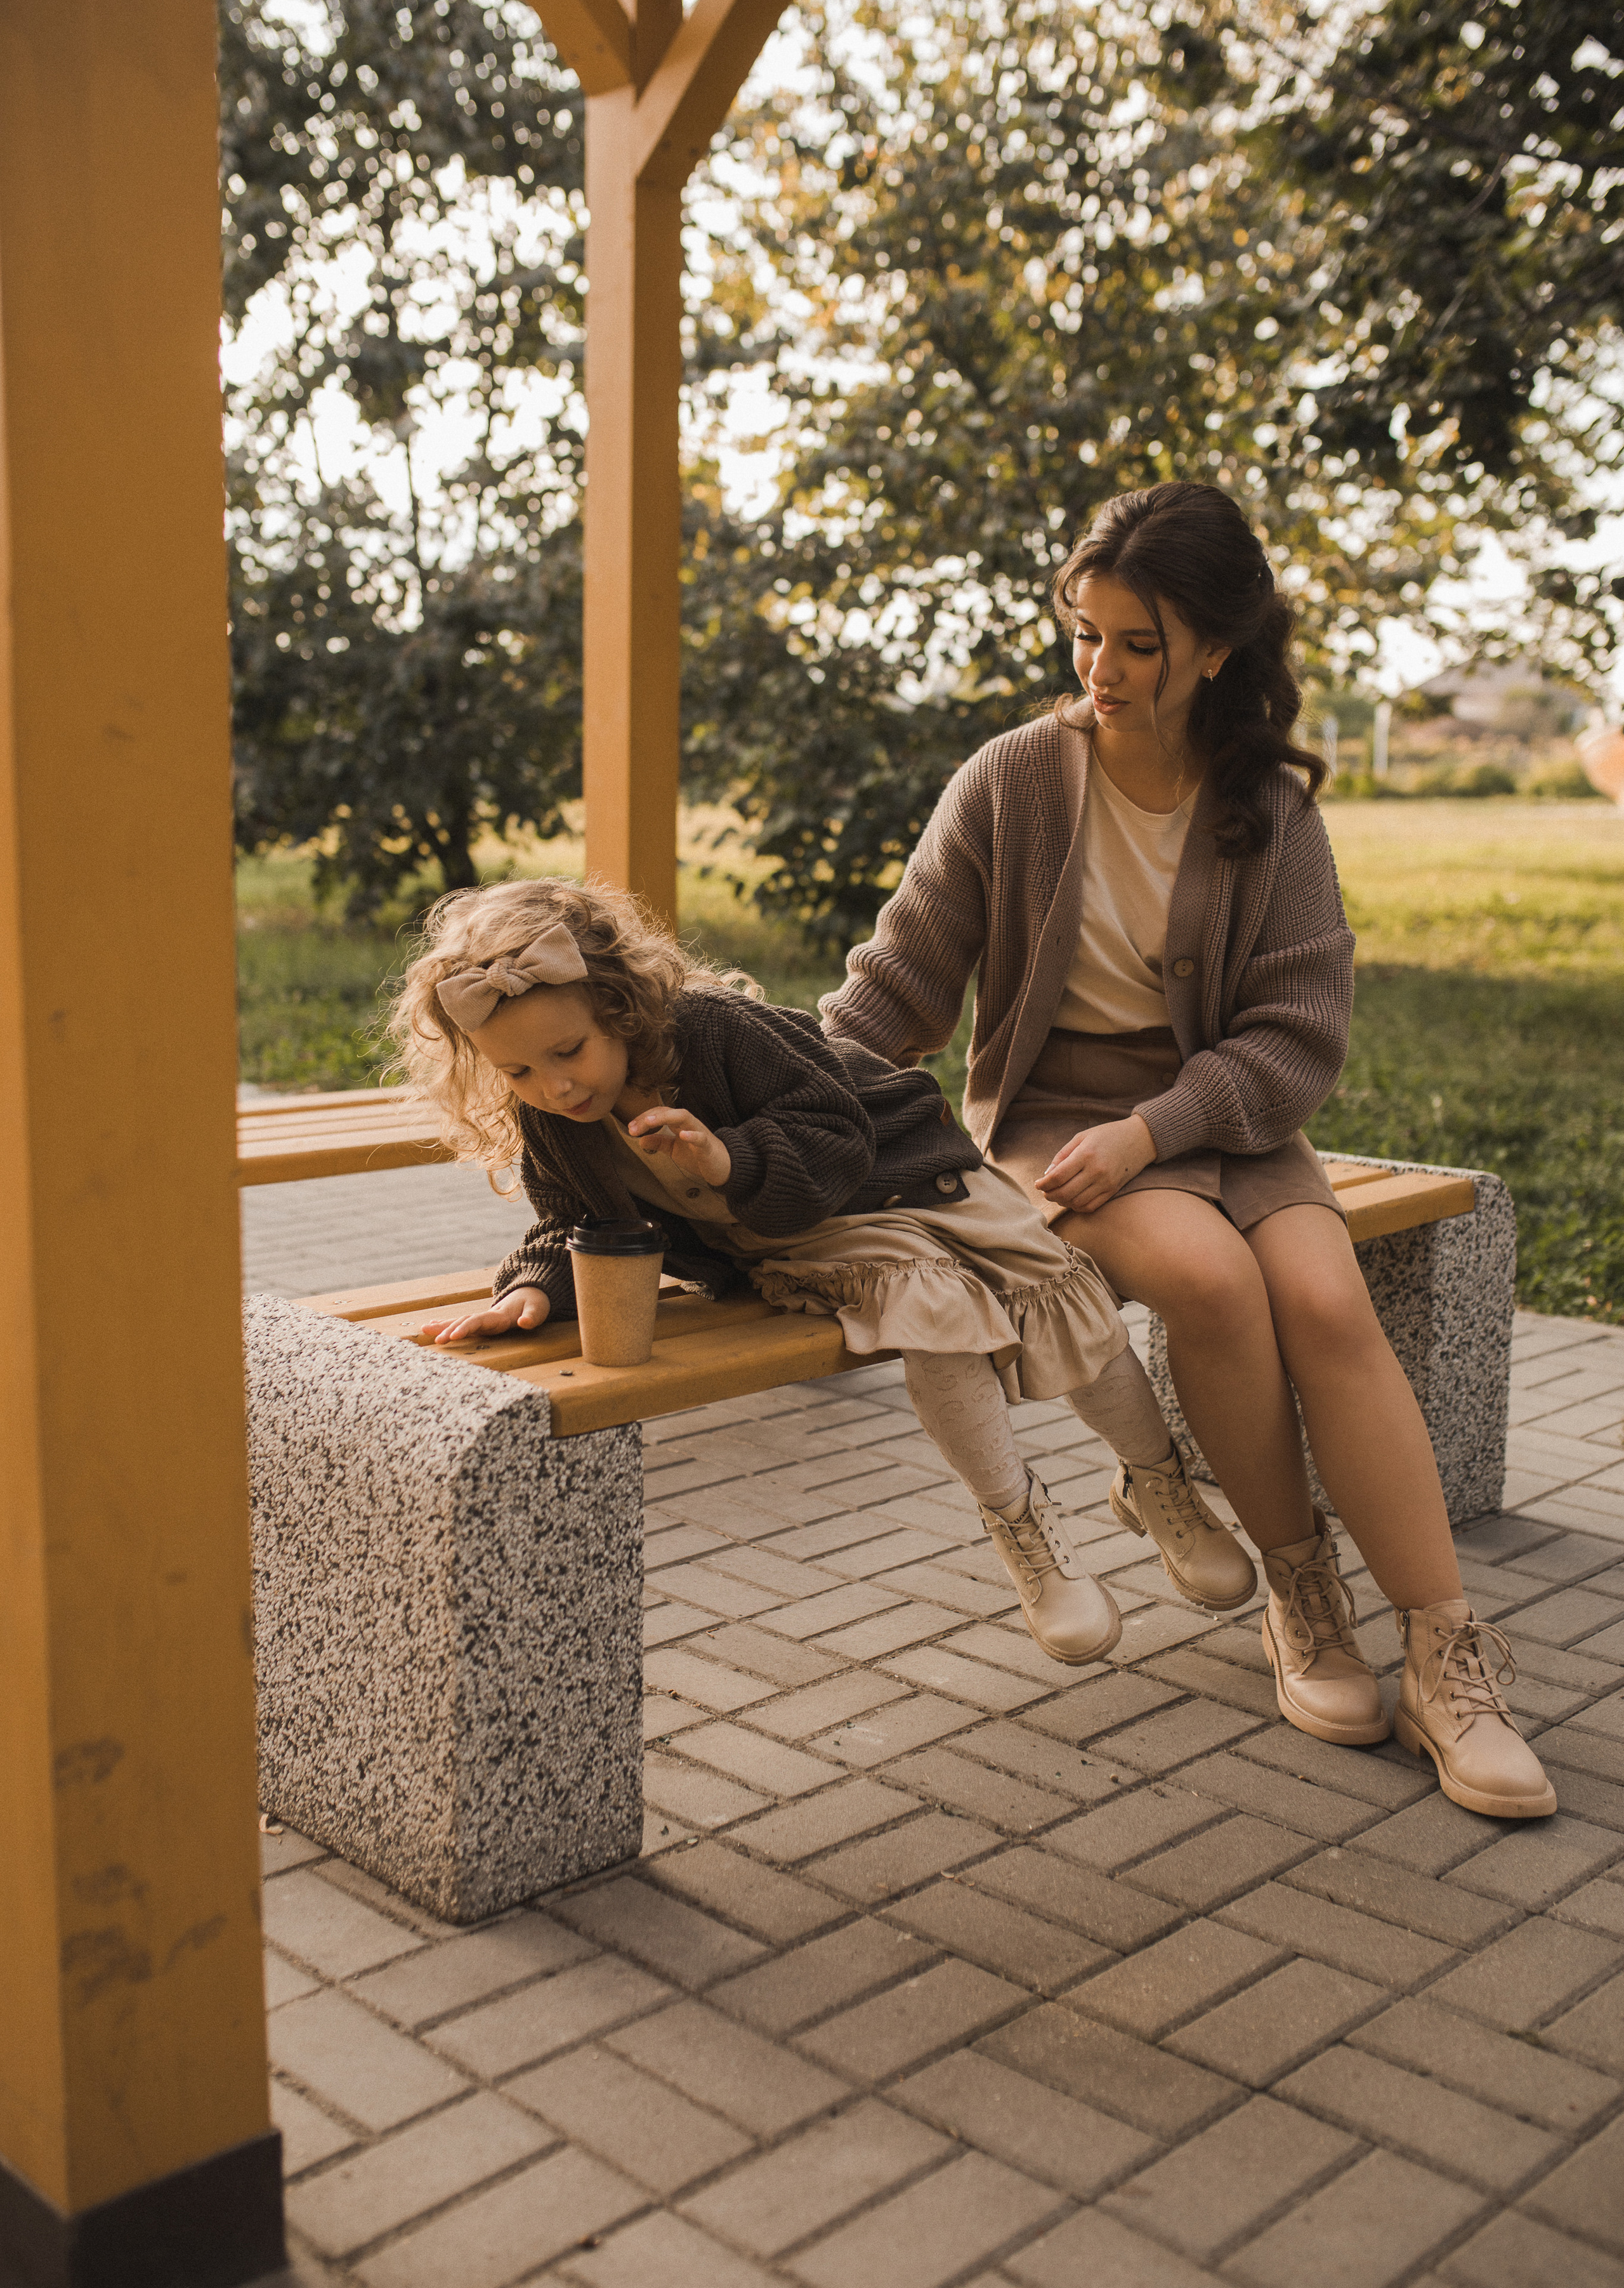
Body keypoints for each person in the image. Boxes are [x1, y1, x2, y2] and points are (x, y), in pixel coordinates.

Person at [822, 481, 1554, 1822]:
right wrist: (769, 1111)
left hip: (1226, 1115)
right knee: (1210, 1283)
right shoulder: (1009, 780)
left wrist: (1159, 1125)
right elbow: (894, 993)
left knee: (1328, 1302)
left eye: (1136, 644)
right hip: (1057, 1120)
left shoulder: (1263, 806)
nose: (1099, 670)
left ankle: (1447, 1659)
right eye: (1083, 634)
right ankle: (1301, 1596)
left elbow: (1297, 1039)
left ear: (1215, 648)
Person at [384, 874, 1236, 1667]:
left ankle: (1160, 1484)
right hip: (814, 1239)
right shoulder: (560, 1126)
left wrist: (726, 1159)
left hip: (903, 1174)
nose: (554, 1085)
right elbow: (576, 1222)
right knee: (930, 1316)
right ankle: (1025, 1534)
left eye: (568, 1051)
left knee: (1058, 1294)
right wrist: (531, 1288)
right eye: (518, 1072)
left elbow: (838, 1133)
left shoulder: (716, 1031)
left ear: (620, 1006)